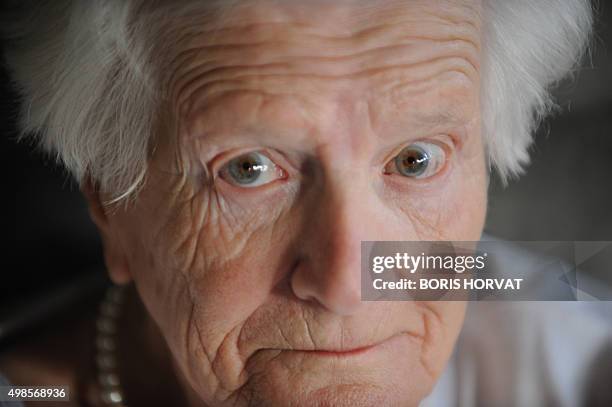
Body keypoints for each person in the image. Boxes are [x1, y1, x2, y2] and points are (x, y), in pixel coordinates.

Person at [1, 1, 608, 406]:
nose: (350, 283)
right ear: (108, 200)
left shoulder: (577, 365)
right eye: (249, 169)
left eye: (415, 160)